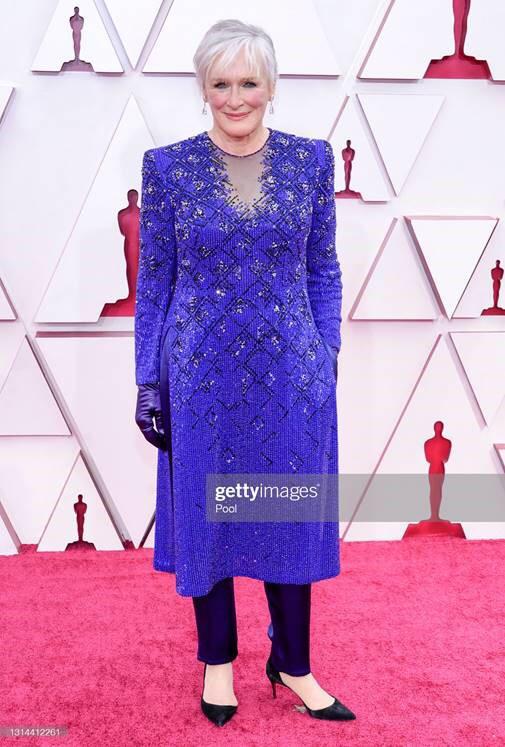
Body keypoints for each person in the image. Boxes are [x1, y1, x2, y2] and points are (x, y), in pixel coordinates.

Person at [134, 18, 355, 727]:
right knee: (212, 517)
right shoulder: (167, 168)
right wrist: (148, 379)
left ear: (271, 86)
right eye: (221, 83)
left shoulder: (311, 161)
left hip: (292, 376)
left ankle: (293, 662)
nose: (235, 98)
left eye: (249, 82)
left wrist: (325, 352)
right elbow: (155, 284)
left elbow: (322, 268)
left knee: (287, 515)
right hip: (199, 377)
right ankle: (219, 662)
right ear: (203, 88)